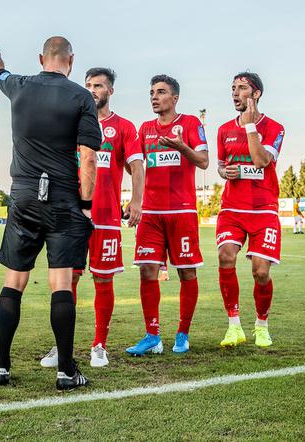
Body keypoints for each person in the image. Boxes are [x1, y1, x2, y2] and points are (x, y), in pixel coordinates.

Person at [0, 37, 102, 390]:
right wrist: (86, 204)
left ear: (40, 59)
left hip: (23, 196)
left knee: (14, 280)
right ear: (71, 61)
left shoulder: (18, 85)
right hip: (63, 197)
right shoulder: (81, 97)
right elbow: (89, 158)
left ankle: (0, 366)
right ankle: (66, 371)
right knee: (60, 283)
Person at [40, 67, 144, 368]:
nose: (92, 90)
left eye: (98, 85)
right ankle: (62, 346)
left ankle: (99, 345)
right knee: (66, 279)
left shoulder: (124, 127)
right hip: (70, 214)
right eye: (88, 85)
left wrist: (136, 200)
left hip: (106, 215)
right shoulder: (70, 124)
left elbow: (137, 166)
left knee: (102, 279)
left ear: (110, 91)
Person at [127, 74, 209, 355]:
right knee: (148, 271)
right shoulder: (145, 128)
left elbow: (204, 161)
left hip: (181, 211)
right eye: (152, 92)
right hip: (150, 212)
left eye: (160, 92)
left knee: (186, 272)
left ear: (174, 98)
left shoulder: (190, 124)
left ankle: (182, 334)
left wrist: (181, 147)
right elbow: (135, 164)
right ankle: (152, 336)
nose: (154, 97)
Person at [216, 72, 285, 348]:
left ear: (256, 94)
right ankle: (234, 325)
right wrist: (225, 171)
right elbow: (220, 165)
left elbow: (260, 161)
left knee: (260, 272)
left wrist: (249, 127)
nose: (235, 93)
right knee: (225, 256)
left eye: (242, 88)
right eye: (233, 88)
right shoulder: (223, 129)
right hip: (232, 207)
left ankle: (261, 324)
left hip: (264, 209)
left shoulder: (275, 127)